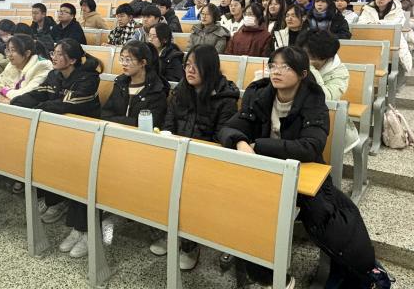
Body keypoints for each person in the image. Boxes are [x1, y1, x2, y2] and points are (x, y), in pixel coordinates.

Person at [218, 47, 385, 289]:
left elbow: (310, 147)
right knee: (238, 202)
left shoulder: (314, 101)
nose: (276, 71)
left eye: (285, 67)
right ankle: (267, 275)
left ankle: (352, 269)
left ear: (302, 74)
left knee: (328, 217)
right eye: (273, 66)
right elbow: (228, 128)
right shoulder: (259, 94)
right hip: (264, 172)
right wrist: (240, 142)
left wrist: (258, 145)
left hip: (303, 173)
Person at [12, 39, 102, 258]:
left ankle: (83, 230)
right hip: (58, 133)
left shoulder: (88, 78)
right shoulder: (54, 75)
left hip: (84, 137)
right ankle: (56, 201)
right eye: (54, 52)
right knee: (45, 160)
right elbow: (39, 94)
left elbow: (65, 105)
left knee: (78, 177)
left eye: (59, 54)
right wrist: (18, 102)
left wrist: (39, 108)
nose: (53, 57)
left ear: (72, 60)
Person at [151, 44, 240, 269]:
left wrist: (192, 157)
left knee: (189, 191)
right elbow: (169, 123)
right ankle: (169, 232)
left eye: (196, 66)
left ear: (209, 68)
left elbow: (221, 139)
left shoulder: (225, 99)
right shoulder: (181, 90)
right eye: (187, 65)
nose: (189, 70)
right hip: (177, 153)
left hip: (206, 161)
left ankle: (190, 245)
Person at [297, 29, 359, 151]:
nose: (306, 59)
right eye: (304, 55)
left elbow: (326, 98)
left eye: (312, 57)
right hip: (300, 115)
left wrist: (310, 71)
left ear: (327, 57)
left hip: (326, 119)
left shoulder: (340, 73)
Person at [102, 40, 170, 127]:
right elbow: (105, 114)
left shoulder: (156, 90)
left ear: (143, 62)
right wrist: (129, 122)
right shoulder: (120, 83)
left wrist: (118, 120)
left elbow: (151, 123)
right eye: (122, 59)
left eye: (128, 60)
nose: (124, 64)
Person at [0, 34, 53, 104]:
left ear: (27, 53)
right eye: (8, 50)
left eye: (13, 50)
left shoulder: (42, 66)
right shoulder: (12, 65)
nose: (9, 54)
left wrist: (4, 90)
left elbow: (24, 96)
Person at [358, 0, 412, 72]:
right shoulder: (368, 9)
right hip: (371, 39)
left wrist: (378, 23)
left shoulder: (397, 10)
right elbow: (361, 23)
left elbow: (398, 23)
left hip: (391, 40)